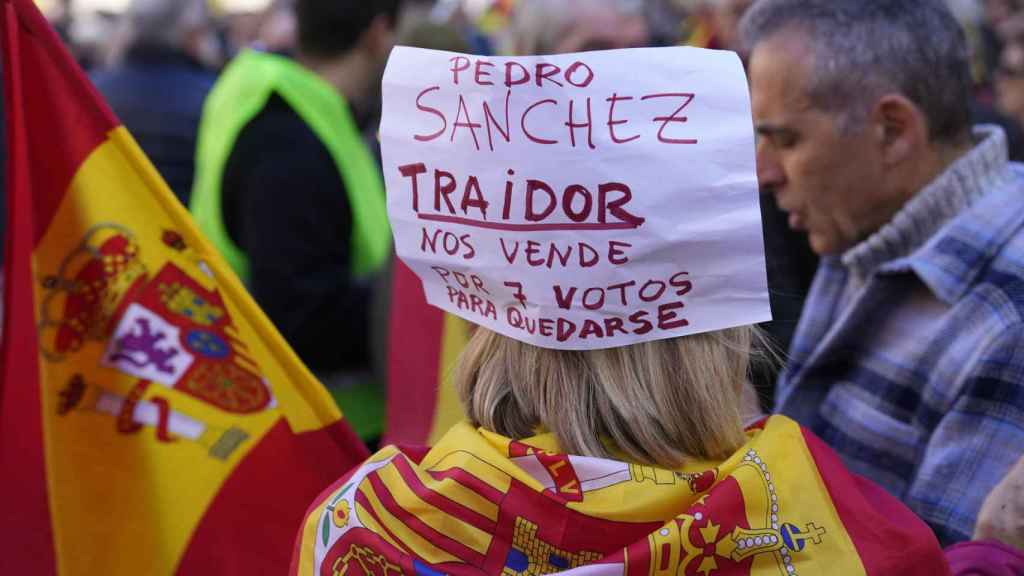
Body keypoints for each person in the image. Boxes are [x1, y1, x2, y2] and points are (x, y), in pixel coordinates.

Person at [740, 0, 1024, 546]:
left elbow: (942, 559)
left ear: (893, 131)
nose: (763, 172)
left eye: (787, 139)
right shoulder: (867, 218)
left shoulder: (1007, 318)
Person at [189, 0, 396, 440]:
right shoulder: (289, 138)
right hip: (317, 436)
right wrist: (417, 304)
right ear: (378, 33)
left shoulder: (264, 96)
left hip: (290, 423)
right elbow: (302, 314)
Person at [90, 0, 221, 205]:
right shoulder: (212, 95)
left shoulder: (94, 89)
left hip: (110, 228)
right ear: (189, 32)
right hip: (185, 230)